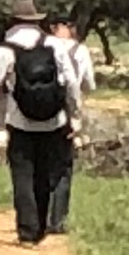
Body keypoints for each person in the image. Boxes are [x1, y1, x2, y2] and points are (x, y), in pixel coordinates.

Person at [0, 0, 86, 247]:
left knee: (22, 175)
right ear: (38, 21)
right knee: (45, 174)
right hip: (54, 121)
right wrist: (76, 115)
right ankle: (40, 226)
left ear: (13, 21)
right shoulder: (54, 45)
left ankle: (27, 231)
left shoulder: (6, 50)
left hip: (20, 122)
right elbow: (71, 82)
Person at [45, 17, 95, 235]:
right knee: (64, 167)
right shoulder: (80, 51)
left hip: (41, 111)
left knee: (43, 163)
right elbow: (89, 84)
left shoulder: (42, 46)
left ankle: (40, 214)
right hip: (67, 114)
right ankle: (57, 220)